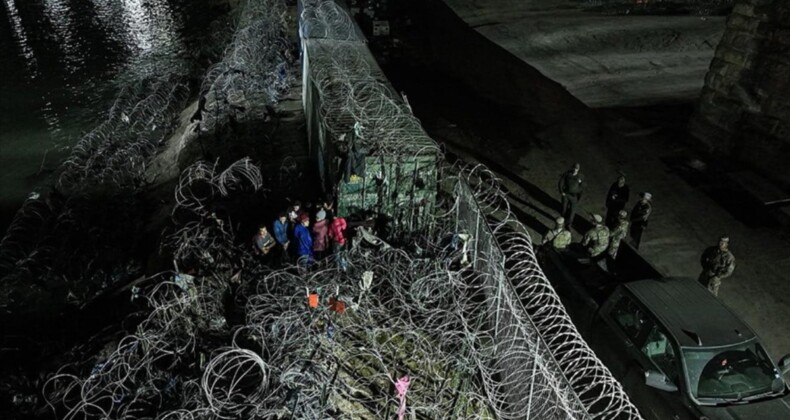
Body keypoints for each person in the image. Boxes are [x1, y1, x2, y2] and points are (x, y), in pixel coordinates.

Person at [558, 163, 584, 229]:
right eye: (574, 168)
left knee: (572, 212)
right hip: (566, 195)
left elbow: (582, 188)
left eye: (577, 169)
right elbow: (561, 181)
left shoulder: (580, 176)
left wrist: (579, 198)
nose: (575, 170)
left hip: (574, 197)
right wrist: (561, 191)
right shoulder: (567, 174)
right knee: (563, 209)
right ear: (572, 168)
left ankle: (568, 224)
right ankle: (561, 223)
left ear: (578, 169)